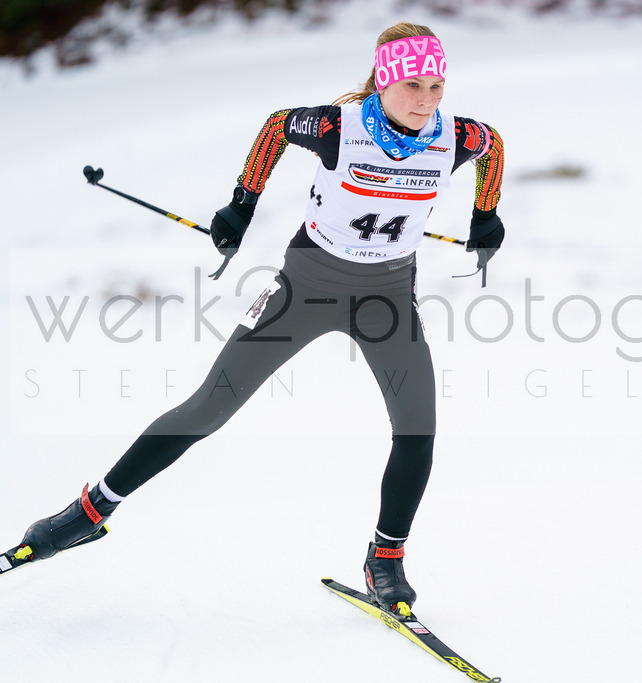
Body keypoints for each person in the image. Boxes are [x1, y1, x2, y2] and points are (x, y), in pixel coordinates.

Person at [4, 22, 505, 615]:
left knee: (418, 428)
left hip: (387, 298)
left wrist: (486, 217)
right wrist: (241, 205)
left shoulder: (459, 137)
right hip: (309, 284)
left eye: (438, 85)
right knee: (207, 408)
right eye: (415, 84)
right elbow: (275, 127)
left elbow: (493, 146)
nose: (427, 100)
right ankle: (87, 513)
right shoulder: (337, 127)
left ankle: (385, 562)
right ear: (385, 81)